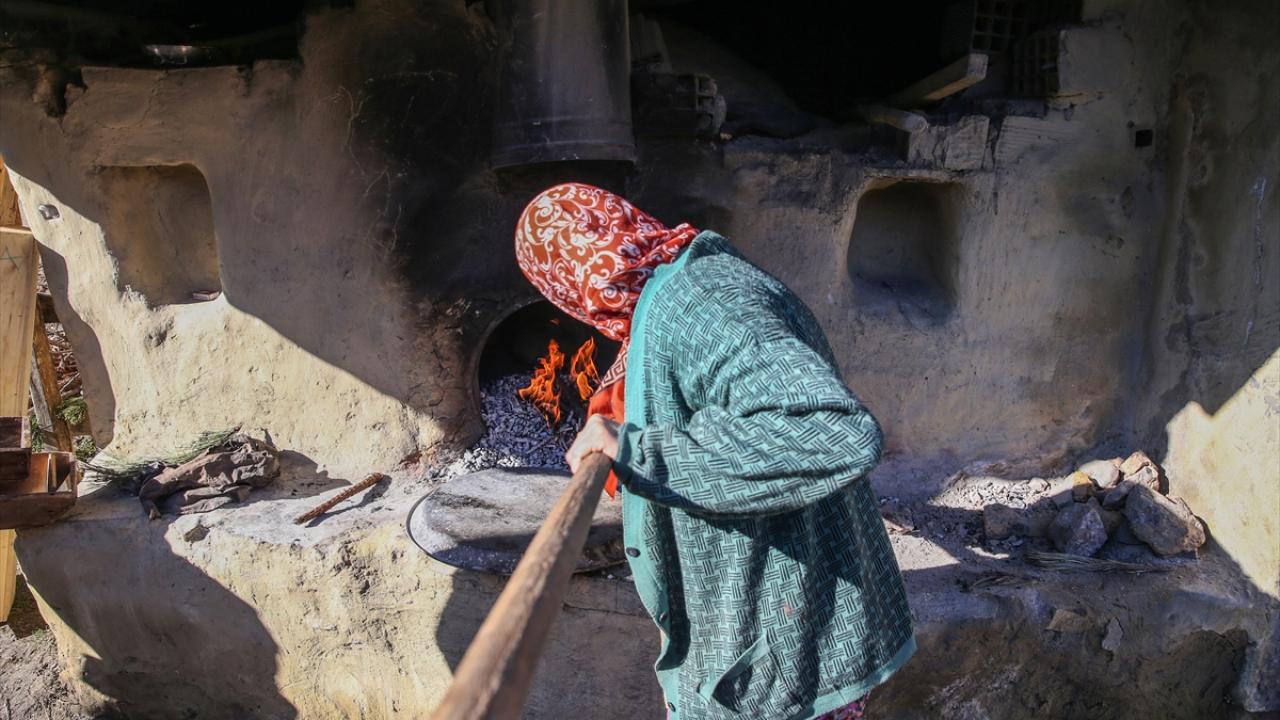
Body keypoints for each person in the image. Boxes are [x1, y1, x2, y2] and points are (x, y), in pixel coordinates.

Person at [514, 183, 914, 719]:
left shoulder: (700, 304)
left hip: (785, 645)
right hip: (789, 613)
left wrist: (640, 453)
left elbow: (834, 431)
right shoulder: (684, 274)